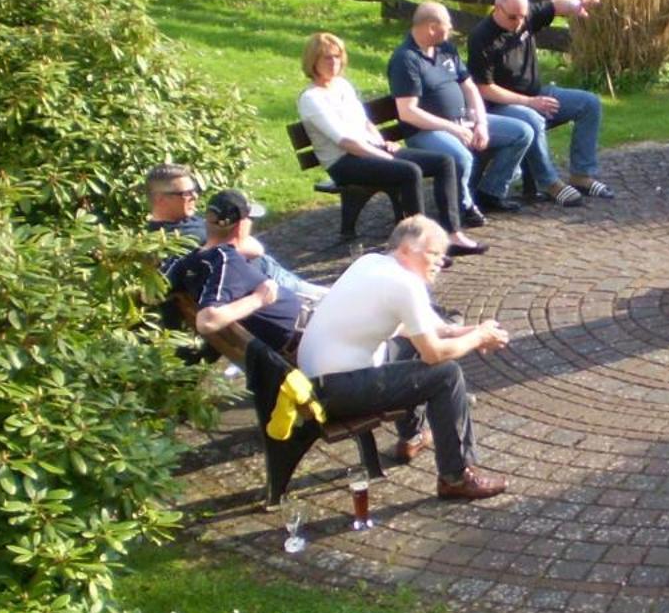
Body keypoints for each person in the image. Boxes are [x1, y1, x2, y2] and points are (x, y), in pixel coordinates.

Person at [296, 216, 512, 500]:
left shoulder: (372, 263)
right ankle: (456, 478)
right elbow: (433, 354)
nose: (441, 262)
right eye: (434, 253)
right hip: (336, 390)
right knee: (446, 375)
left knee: (408, 346)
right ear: (408, 248)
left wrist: (465, 331)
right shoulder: (405, 284)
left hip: (316, 377)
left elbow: (414, 328)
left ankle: (411, 437)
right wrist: (478, 338)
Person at [295, 32, 487, 257]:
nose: (334, 63)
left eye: (337, 57)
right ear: (313, 61)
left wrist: (382, 144)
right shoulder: (312, 98)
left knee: (444, 161)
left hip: (368, 149)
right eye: (327, 58)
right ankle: (419, 246)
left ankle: (452, 234)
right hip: (344, 161)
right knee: (409, 171)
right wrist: (382, 155)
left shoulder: (342, 86)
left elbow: (364, 122)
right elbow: (345, 141)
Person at [467, 0, 614, 206]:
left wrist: (575, 5)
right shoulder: (482, 38)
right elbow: (484, 88)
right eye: (512, 17)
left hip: (536, 94)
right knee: (533, 118)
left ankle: (581, 175)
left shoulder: (525, 16)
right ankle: (550, 182)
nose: (518, 23)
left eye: (522, 17)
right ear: (497, 8)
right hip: (501, 106)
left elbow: (555, 6)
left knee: (589, 104)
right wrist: (529, 102)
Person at [390, 1, 535, 219]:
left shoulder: (446, 49)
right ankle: (463, 207)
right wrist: (453, 129)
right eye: (447, 26)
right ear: (431, 27)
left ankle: (490, 192)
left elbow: (469, 86)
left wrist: (481, 123)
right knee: (461, 157)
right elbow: (408, 112)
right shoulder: (405, 59)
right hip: (426, 132)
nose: (450, 31)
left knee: (522, 132)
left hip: (462, 121)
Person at [144, 163, 323, 299]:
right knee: (338, 301)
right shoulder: (177, 241)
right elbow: (253, 249)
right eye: (186, 194)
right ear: (160, 199)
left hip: (269, 274)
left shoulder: (186, 220)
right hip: (268, 286)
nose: (195, 197)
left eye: (195, 190)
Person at [171, 190, 306, 355]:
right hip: (305, 338)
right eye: (250, 219)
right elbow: (207, 321)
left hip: (300, 330)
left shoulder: (190, 261)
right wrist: (259, 298)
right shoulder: (226, 259)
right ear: (241, 225)